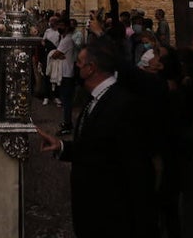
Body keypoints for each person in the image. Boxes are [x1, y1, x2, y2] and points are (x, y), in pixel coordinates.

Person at [36, 41, 156, 238]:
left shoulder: (122, 105)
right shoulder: (96, 98)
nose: (75, 66)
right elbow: (96, 147)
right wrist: (62, 146)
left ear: (91, 68)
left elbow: (133, 167)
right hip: (93, 208)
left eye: (79, 62)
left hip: (110, 212)